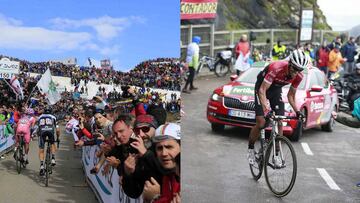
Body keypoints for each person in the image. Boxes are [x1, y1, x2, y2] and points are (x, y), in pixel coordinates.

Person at [247, 49, 309, 165]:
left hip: (275, 91)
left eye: (299, 70)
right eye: (294, 68)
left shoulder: (298, 76)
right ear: (289, 63)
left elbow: (290, 96)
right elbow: (262, 90)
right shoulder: (276, 67)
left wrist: (297, 111)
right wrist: (267, 109)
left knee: (280, 121)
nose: (296, 72)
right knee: (261, 123)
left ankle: (276, 155)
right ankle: (250, 148)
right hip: (262, 88)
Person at [142, 123, 181, 203]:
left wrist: (155, 198)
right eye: (159, 148)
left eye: (169, 147)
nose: (164, 153)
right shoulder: (167, 177)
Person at [38, 106, 60, 176]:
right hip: (50, 131)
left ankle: (41, 166)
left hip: (42, 132)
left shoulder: (40, 117)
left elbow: (38, 128)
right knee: (52, 143)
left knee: (41, 149)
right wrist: (58, 137)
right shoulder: (53, 117)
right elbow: (57, 129)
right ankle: (53, 158)